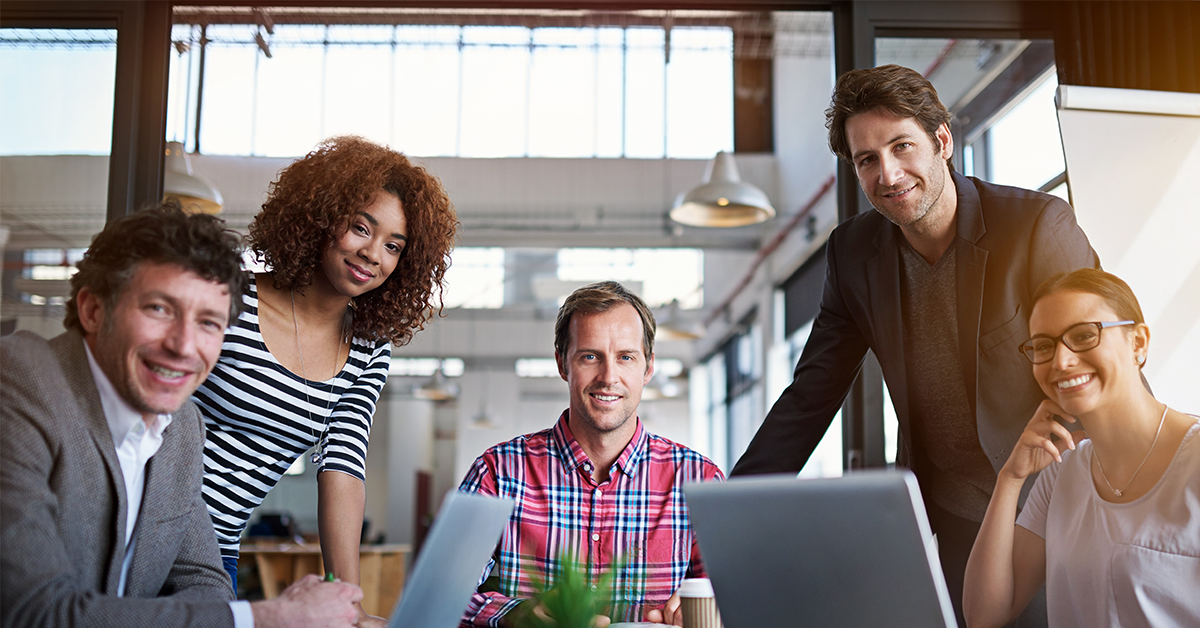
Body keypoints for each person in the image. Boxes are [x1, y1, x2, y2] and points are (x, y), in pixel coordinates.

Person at [729, 64, 1099, 626]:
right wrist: (728, 518)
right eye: (867, 160)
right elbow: (809, 398)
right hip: (946, 521)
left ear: (942, 141)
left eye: (902, 146)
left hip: (1048, 514)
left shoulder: (1035, 227)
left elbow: (1104, 372)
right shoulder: (853, 254)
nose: (889, 174)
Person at [0, 205, 364, 628]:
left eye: (209, 323)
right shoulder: (21, 381)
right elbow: (33, 612)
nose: (184, 346)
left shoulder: (182, 428)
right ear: (93, 311)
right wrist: (269, 617)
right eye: (159, 309)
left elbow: (204, 579)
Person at [191, 136, 458, 625]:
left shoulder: (368, 350)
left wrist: (349, 606)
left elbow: (342, 471)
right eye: (361, 227)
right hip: (132, 531)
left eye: (393, 246)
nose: (373, 253)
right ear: (320, 216)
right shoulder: (227, 296)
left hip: (211, 557)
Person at [458, 281, 723, 627]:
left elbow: (737, 595)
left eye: (626, 357)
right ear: (562, 364)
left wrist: (711, 608)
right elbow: (443, 595)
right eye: (589, 356)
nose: (608, 377)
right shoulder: (498, 473)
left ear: (647, 368)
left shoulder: (699, 480)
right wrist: (516, 615)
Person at [963, 269, 1200, 628]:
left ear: (1138, 343)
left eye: (1084, 336)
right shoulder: (1060, 474)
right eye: (1044, 345)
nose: (1061, 361)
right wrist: (1010, 478)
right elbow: (985, 615)